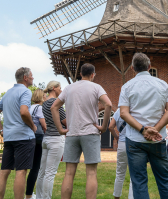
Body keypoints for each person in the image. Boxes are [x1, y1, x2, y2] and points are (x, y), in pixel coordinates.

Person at [119, 52, 168, 199]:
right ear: (149, 66)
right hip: (158, 139)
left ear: (132, 68)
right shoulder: (163, 84)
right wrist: (156, 129)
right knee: (164, 179)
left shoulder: (127, 86)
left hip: (135, 139)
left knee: (139, 181)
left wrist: (143, 130)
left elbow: (124, 113)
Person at [51, 63, 112, 199]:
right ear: (92, 74)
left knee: (69, 173)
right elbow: (108, 104)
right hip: (90, 132)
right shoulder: (96, 87)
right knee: (91, 173)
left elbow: (54, 107)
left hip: (72, 133)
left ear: (80, 74)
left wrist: (60, 129)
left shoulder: (69, 88)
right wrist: (104, 126)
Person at [0, 67, 37, 199]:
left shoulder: (7, 93)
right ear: (25, 78)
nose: (33, 78)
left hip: (9, 137)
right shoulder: (26, 92)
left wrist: (1, 131)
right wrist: (33, 126)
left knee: (4, 171)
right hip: (24, 136)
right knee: (21, 171)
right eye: (32, 75)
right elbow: (24, 112)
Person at [36, 81, 67, 199]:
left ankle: (39, 197)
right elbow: (65, 121)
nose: (61, 90)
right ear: (54, 88)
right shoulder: (55, 102)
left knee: (42, 172)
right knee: (50, 174)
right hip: (56, 139)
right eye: (60, 88)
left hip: (47, 138)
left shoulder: (44, 103)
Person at [25, 89, 47, 199]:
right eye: (44, 95)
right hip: (38, 139)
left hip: (28, 137)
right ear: (41, 97)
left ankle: (28, 194)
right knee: (35, 167)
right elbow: (44, 126)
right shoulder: (40, 108)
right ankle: (29, 195)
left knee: (30, 167)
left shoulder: (30, 107)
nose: (45, 97)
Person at [109, 109, 134, 199]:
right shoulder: (135, 109)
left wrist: (116, 137)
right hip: (134, 143)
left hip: (122, 143)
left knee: (119, 174)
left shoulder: (119, 111)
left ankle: (116, 197)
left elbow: (111, 126)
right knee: (133, 175)